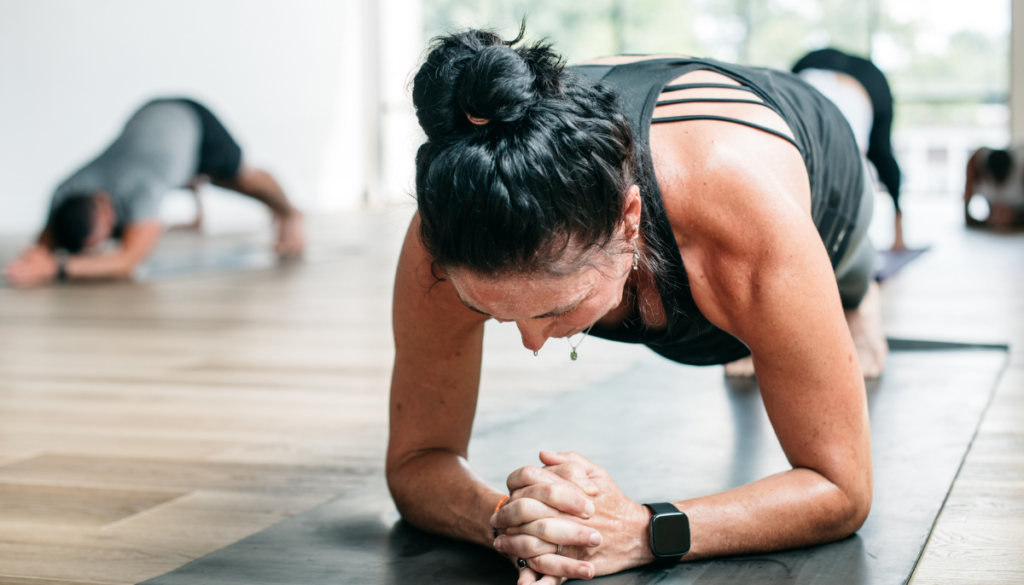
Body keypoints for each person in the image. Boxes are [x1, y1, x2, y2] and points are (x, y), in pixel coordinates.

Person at [388, 28, 885, 585]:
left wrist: (642, 530)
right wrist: (522, 526)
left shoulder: (743, 217)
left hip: (821, 167)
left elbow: (843, 490)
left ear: (629, 219)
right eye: (493, 311)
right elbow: (416, 462)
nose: (530, 342)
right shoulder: (450, 229)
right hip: (666, 199)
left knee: (852, 276)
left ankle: (856, 299)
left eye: (556, 310)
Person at [4, 98, 304, 286]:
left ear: (106, 211)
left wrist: (58, 268)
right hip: (150, 126)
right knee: (187, 177)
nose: (101, 247)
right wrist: (37, 259)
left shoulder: (140, 190)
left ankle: (291, 214)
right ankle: (194, 192)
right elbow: (41, 248)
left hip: (188, 119)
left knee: (240, 180)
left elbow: (128, 262)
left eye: (102, 238)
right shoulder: (64, 191)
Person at [792, 48, 905, 250]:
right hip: (815, 71)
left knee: (880, 157)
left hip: (853, 78)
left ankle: (899, 227)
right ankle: (899, 230)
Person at [964, 145, 1024, 229]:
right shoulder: (976, 162)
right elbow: (968, 217)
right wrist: (983, 221)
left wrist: (1015, 217)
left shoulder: (1021, 167)